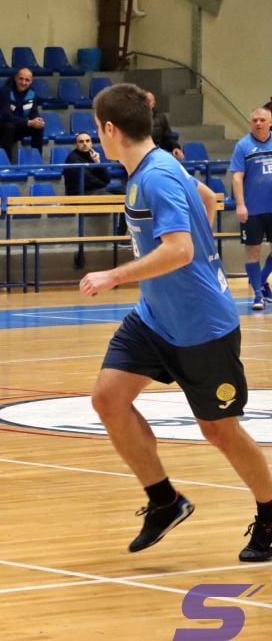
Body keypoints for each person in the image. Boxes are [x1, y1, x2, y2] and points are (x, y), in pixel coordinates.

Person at [79, 83, 272, 562]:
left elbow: (180, 249)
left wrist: (115, 275)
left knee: (219, 430)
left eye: (97, 127)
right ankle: (165, 501)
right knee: (108, 399)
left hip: (201, 325)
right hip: (155, 318)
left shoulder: (157, 176)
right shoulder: (155, 166)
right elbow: (208, 198)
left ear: (109, 129)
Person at [230, 106, 272, 310]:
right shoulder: (243, 146)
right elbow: (237, 177)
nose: (258, 123)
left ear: (270, 122)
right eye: (255, 120)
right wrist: (240, 204)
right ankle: (257, 294)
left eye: (262, 120)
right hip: (253, 209)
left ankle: (262, 280)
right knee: (252, 251)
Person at [0, 67, 45, 162]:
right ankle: (7, 163)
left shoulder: (32, 93)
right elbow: (6, 116)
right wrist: (28, 122)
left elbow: (34, 113)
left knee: (38, 128)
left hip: (16, 127)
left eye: (27, 80)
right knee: (9, 126)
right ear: (15, 78)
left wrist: (37, 121)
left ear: (31, 81)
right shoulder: (4, 91)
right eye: (21, 79)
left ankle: (37, 161)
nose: (23, 82)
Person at [146, 91, 184, 160]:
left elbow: (167, 138)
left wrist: (175, 147)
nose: (146, 103)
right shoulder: (133, 118)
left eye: (148, 101)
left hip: (157, 153)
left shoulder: (161, 117)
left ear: (153, 103)